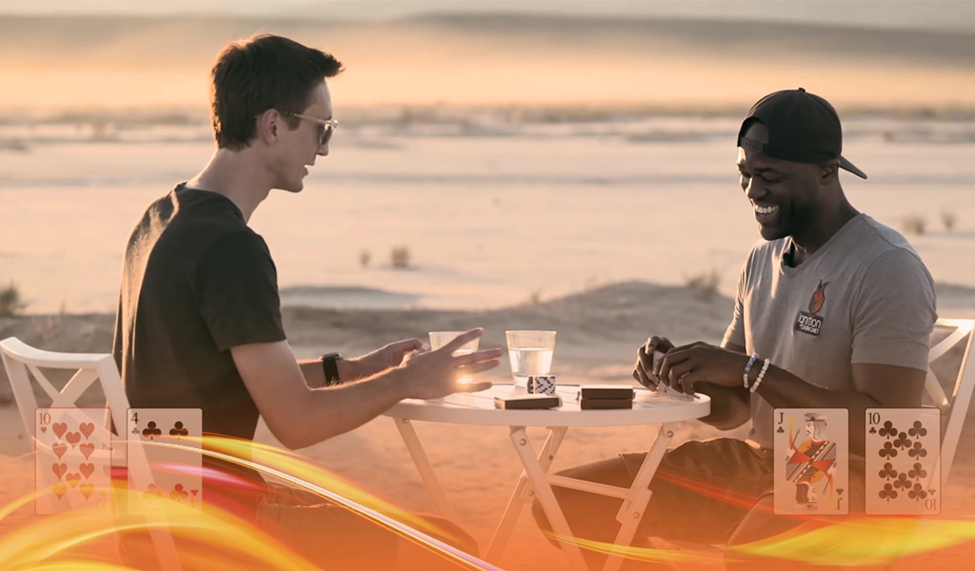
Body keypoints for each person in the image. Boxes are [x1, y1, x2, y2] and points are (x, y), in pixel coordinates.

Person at [111, 34, 502, 570]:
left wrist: (354, 370)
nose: (324, 150)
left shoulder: (159, 221)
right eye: (321, 129)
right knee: (449, 548)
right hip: (218, 530)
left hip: (153, 514)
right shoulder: (231, 249)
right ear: (273, 125)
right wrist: (410, 381)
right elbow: (296, 423)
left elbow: (220, 376)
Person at [532, 88, 937, 570]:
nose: (753, 191)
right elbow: (732, 409)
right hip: (767, 462)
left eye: (771, 177)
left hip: (868, 477)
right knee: (564, 502)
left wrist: (753, 371)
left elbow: (888, 432)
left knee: (754, 555)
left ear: (827, 171)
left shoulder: (886, 265)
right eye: (745, 174)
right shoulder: (762, 259)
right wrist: (682, 376)